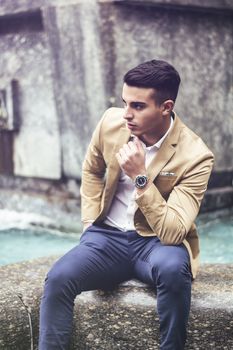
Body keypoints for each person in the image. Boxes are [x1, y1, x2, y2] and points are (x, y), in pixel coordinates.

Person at [39, 59, 214, 349]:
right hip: (106, 238)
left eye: (138, 106)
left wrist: (141, 178)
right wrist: (88, 222)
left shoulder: (196, 156)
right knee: (58, 279)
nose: (127, 115)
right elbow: (92, 169)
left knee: (173, 272)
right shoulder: (111, 122)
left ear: (166, 107)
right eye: (125, 103)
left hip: (156, 244)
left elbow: (173, 233)